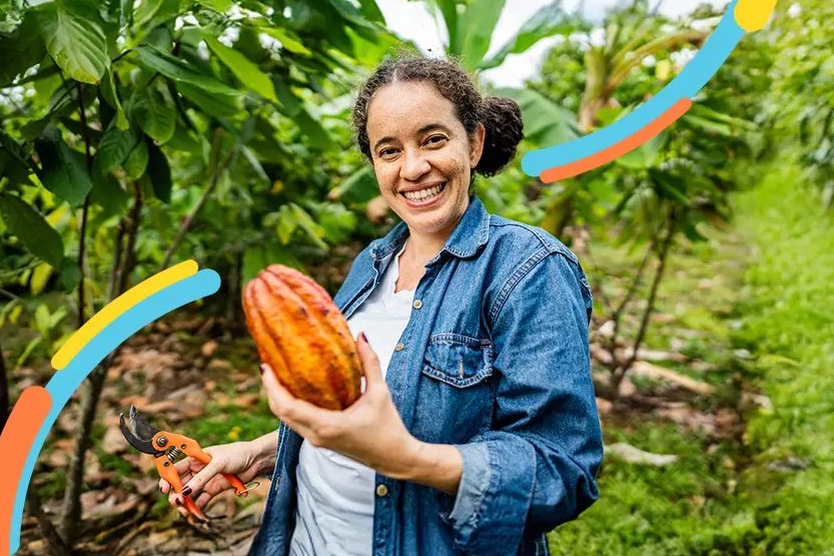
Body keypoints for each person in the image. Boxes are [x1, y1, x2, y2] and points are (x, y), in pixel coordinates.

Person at [159, 54, 603, 555]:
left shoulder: (529, 268)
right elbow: (354, 417)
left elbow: (563, 471)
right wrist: (260, 452)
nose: (412, 169)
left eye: (433, 140)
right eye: (388, 151)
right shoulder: (372, 262)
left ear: (474, 143)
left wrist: (405, 458)